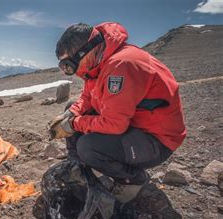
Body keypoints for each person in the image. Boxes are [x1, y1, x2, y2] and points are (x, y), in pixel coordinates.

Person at [48, 22, 186, 203]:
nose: (71, 72)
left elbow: (114, 125)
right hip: (134, 125)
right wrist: (71, 115)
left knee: (88, 146)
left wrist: (74, 124)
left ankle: (133, 179)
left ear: (86, 51)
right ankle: (78, 166)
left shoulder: (121, 66)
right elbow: (87, 97)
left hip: (156, 140)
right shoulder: (98, 62)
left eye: (70, 65)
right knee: (72, 107)